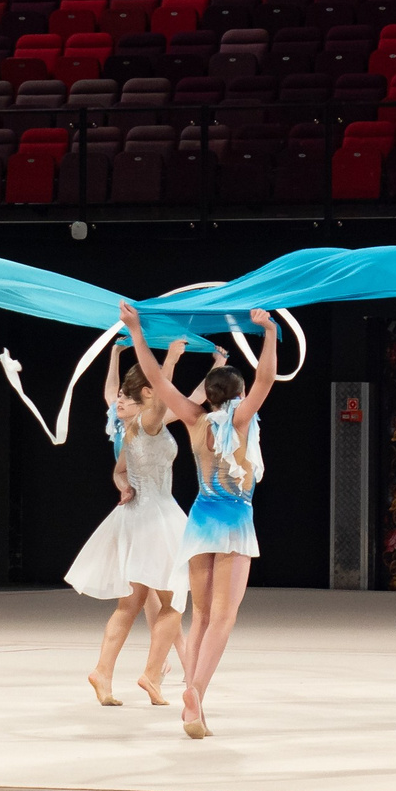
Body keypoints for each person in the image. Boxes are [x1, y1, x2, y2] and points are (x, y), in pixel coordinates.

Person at [124, 304, 275, 739]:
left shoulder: (193, 419)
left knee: (202, 618)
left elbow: (156, 380)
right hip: (234, 523)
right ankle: (195, 693)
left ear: (207, 395)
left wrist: (136, 330)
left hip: (199, 521)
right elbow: (266, 379)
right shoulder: (243, 419)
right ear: (239, 393)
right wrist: (267, 331)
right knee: (224, 619)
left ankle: (195, 707)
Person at [68, 307, 193, 708]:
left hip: (136, 518)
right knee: (173, 602)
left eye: (125, 394)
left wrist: (123, 486)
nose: (118, 399)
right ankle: (152, 674)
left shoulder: (131, 427)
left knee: (132, 602)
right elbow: (162, 386)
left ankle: (103, 672)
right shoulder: (150, 421)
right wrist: (169, 359)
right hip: (157, 518)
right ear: (149, 396)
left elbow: (119, 470)